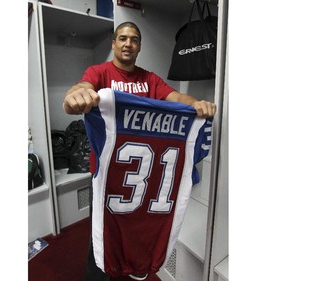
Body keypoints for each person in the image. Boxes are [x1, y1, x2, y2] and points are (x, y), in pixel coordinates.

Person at [63, 22, 216, 281]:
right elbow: (82, 88)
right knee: (100, 232)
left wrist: (197, 104)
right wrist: (74, 97)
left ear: (139, 46)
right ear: (114, 43)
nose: (128, 44)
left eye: (134, 40)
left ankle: (133, 264)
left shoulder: (149, 79)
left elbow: (177, 99)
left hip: (139, 176)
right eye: (122, 38)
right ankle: (98, 276)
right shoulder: (99, 72)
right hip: (105, 174)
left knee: (135, 227)